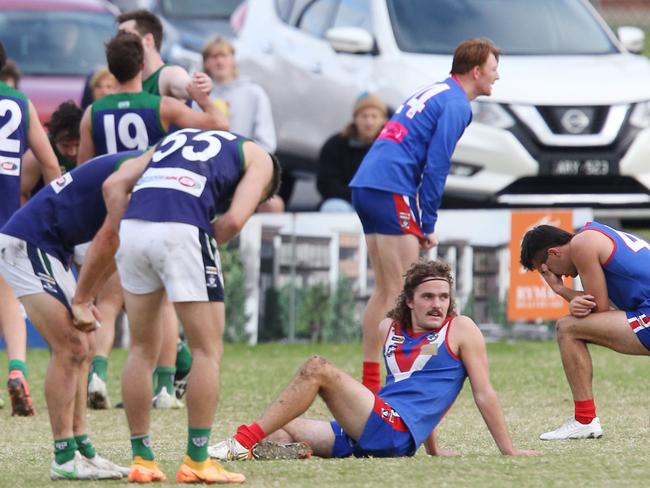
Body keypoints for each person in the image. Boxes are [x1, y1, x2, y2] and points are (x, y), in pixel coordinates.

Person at [71, 129, 281, 483]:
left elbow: (113, 185)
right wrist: (191, 242)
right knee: (206, 351)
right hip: (183, 229)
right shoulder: (261, 159)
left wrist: (132, 228)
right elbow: (232, 220)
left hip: (135, 228)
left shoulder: (177, 137)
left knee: (140, 348)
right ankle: (197, 461)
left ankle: (142, 459)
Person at [209, 260, 538, 461]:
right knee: (280, 429)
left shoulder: (461, 329)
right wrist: (433, 449)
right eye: (427, 297)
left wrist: (508, 449)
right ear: (409, 300)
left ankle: (241, 442)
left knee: (317, 368)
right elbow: (417, 388)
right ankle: (280, 451)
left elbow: (483, 393)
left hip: (393, 432)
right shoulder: (389, 328)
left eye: (443, 297)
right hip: (368, 428)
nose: (437, 304)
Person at [77, 31, 227, 410]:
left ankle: (96, 374)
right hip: (153, 207)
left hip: (113, 213)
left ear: (108, 70)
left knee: (106, 305)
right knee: (161, 304)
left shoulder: (93, 113)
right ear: (143, 66)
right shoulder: (163, 106)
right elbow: (217, 125)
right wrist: (203, 94)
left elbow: (85, 170)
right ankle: (163, 388)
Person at [349, 38, 500, 393]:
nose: (497, 77)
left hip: (368, 184)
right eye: (494, 69)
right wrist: (426, 223)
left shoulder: (436, 90)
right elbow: (437, 166)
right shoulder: (456, 104)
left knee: (387, 289)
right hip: (390, 188)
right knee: (404, 290)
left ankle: (370, 385)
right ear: (476, 71)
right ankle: (391, 387)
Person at [0, 150, 143, 479]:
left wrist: (87, 296)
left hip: (50, 248)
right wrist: (83, 298)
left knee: (85, 345)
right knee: (71, 346)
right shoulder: (144, 174)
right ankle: (64, 457)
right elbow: (108, 238)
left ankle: (83, 450)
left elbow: (115, 242)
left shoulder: (146, 166)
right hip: (29, 242)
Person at [520, 222, 650, 440]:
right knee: (570, 326)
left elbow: (598, 309)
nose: (553, 275)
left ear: (553, 253)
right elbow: (607, 309)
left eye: (546, 270)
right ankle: (584, 420)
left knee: (567, 328)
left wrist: (561, 289)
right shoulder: (594, 233)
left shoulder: (582, 244)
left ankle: (585, 419)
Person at [0, 41, 61, 416]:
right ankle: (18, 368)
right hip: (7, 218)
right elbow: (51, 164)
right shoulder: (20, 103)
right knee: (8, 298)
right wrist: (54, 213)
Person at [201, 36, 283, 213]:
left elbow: (267, 143)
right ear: (206, 63)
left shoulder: (254, 93)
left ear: (233, 60)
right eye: (214, 57)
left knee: (273, 205)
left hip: (244, 168)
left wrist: (244, 164)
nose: (219, 61)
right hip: (206, 170)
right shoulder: (198, 95)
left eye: (224, 55)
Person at [117, 9, 212, 100]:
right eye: (118, 35)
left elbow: (185, 86)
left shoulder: (168, 74)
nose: (118, 40)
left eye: (125, 34)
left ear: (148, 40)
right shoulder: (123, 80)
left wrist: (201, 85)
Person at [317, 92, 387, 212]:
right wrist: (360, 196)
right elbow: (326, 183)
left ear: (383, 120)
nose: (369, 122)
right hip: (344, 202)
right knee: (333, 208)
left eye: (374, 116)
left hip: (378, 204)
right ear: (355, 118)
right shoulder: (335, 144)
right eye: (364, 116)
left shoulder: (391, 148)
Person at [21, 100, 83, 202]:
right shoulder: (36, 156)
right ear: (53, 140)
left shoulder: (93, 147)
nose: (73, 152)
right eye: (65, 146)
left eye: (78, 145)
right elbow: (21, 193)